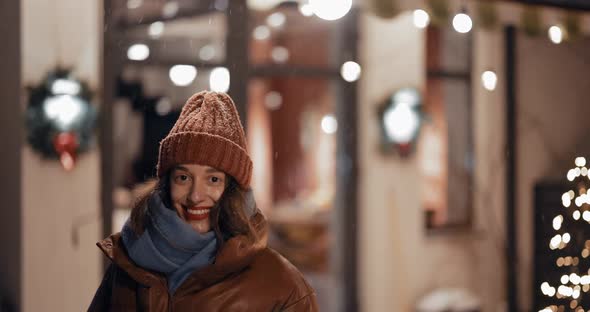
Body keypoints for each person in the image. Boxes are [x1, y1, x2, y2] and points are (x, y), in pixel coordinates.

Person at [89, 91, 318, 311]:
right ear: (167, 183)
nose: (195, 196)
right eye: (183, 177)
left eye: (213, 179)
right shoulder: (127, 264)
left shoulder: (282, 287)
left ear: (233, 189)